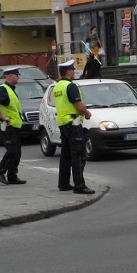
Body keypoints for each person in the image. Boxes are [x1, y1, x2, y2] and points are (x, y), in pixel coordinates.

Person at [54, 59, 94, 194]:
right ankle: (79, 185)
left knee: (65, 155)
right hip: (73, 124)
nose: (74, 72)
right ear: (68, 72)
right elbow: (78, 106)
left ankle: (63, 183)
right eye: (72, 70)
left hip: (63, 124)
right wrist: (87, 113)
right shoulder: (71, 86)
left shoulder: (57, 86)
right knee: (78, 155)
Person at [0, 67, 26, 185]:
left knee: (17, 152)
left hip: (14, 126)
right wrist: (2, 117)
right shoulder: (3, 89)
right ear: (10, 76)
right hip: (7, 126)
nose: (18, 77)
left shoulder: (10, 89)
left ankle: (12, 175)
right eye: (17, 75)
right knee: (12, 151)